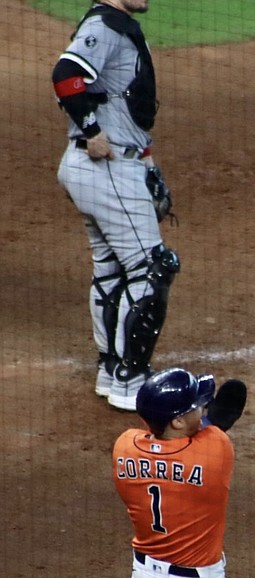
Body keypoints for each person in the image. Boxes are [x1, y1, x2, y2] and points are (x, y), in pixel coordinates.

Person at [52, 0, 179, 411]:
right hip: (104, 167)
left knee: (111, 267)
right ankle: (131, 379)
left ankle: (110, 371)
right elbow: (66, 75)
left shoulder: (113, 24)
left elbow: (121, 104)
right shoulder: (106, 24)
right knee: (152, 267)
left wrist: (146, 158)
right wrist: (91, 130)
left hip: (101, 168)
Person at [113, 368, 248, 578]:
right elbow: (209, 429)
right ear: (175, 422)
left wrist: (199, 418)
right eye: (195, 405)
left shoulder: (123, 447)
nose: (202, 407)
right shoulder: (217, 449)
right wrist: (208, 419)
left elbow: (198, 429)